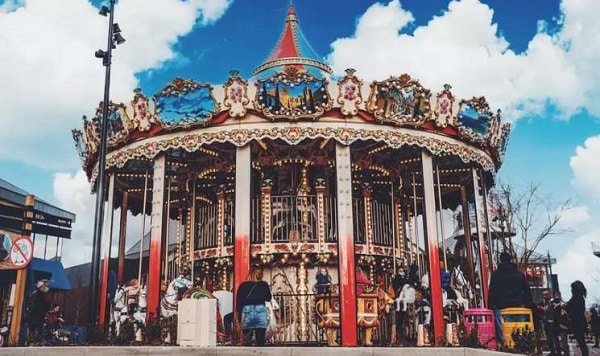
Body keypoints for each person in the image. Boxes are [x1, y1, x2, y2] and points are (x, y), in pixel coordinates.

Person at [487, 252, 533, 345]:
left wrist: (491, 306)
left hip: (502, 307)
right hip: (519, 307)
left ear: (500, 260)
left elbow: (492, 291)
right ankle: (520, 345)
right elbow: (527, 291)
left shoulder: (496, 275)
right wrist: (527, 304)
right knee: (520, 330)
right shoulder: (519, 275)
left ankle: (505, 346)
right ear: (511, 260)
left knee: (504, 332)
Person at [236, 267, 272, 346]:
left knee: (247, 339)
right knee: (260, 339)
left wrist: (239, 320)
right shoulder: (264, 284)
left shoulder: (243, 285)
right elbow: (268, 298)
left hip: (247, 310)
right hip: (260, 310)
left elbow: (239, 302)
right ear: (260, 274)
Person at [567, 280, 589, 356]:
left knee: (581, 342)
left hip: (577, 323)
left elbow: (571, 308)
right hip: (580, 322)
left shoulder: (577, 298)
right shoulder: (580, 298)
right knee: (581, 342)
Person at [538, 289, 560, 356]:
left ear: (550, 294)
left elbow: (548, 309)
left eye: (546, 294)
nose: (545, 296)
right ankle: (552, 352)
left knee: (554, 337)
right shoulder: (543, 301)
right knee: (549, 338)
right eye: (543, 295)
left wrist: (542, 308)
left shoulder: (553, 301)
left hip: (552, 321)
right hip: (546, 321)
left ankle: (558, 352)